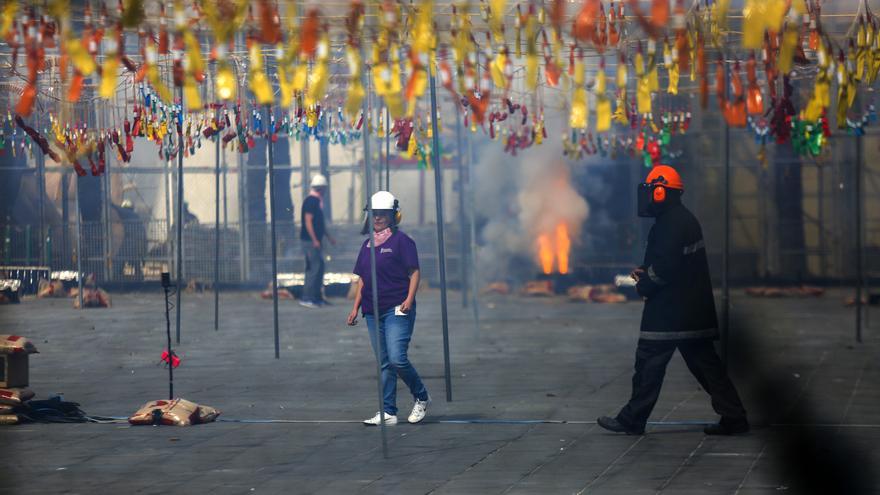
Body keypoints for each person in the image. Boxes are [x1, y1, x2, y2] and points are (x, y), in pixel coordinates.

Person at [598, 165, 749, 436]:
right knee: (707, 366)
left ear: (660, 192)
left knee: (648, 364)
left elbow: (666, 267)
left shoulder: (670, 223)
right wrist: (646, 272)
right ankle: (734, 416)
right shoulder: (681, 219)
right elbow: (671, 263)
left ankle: (632, 419)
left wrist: (644, 283)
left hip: (669, 312)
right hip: (691, 310)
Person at [347, 191, 430, 426]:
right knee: (384, 362)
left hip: (397, 308)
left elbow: (414, 272)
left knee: (397, 359)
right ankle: (389, 411)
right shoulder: (366, 245)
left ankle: (421, 396)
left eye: (382, 214)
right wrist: (355, 307)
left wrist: (409, 299)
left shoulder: (403, 242)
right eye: (374, 214)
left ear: (394, 215)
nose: (377, 218)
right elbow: (363, 278)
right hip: (372, 311)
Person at [299, 174, 335, 308]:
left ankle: (317, 297)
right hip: (310, 241)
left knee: (319, 267)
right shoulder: (311, 201)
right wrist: (314, 239)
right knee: (314, 268)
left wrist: (328, 236)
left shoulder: (316, 201)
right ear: (320, 188)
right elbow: (308, 222)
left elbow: (319, 223)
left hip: (314, 240)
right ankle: (307, 297)